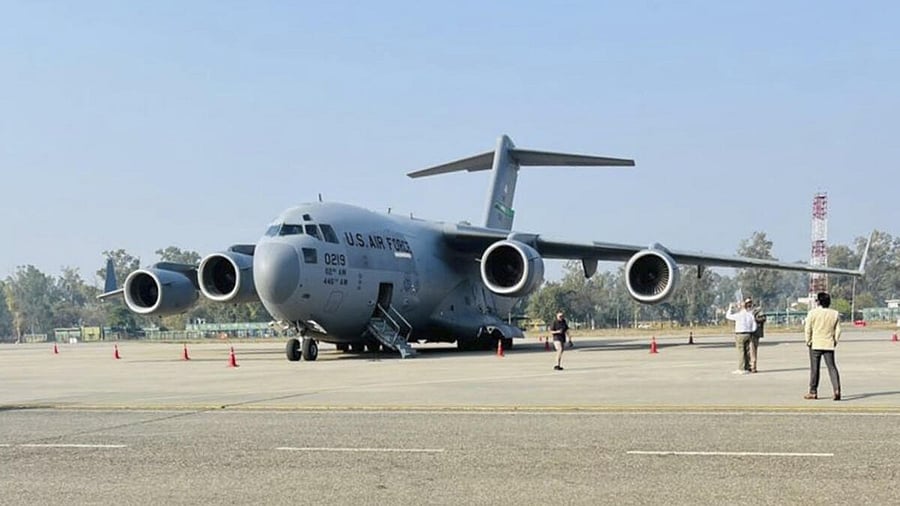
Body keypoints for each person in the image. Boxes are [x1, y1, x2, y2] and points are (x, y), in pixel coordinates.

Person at [804, 292, 842, 401]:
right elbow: (838, 330)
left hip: (815, 344)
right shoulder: (834, 314)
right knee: (832, 367)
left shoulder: (812, 313)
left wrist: (808, 340)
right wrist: (835, 340)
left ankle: (813, 391)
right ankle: (836, 389)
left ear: (818, 302)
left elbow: (808, 328)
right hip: (828, 343)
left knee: (815, 369)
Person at [725, 298, 757, 375]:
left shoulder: (739, 315)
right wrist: (751, 331)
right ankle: (747, 367)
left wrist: (730, 308)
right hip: (749, 334)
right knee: (747, 352)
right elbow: (754, 325)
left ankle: (741, 368)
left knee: (741, 352)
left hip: (740, 334)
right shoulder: (750, 315)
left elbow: (728, 316)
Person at [748, 300, 767, 373]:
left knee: (753, 350)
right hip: (750, 333)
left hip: (754, 333)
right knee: (750, 351)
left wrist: (754, 319)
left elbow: (763, 318)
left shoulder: (758, 311)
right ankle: (750, 366)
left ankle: (753, 367)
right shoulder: (748, 312)